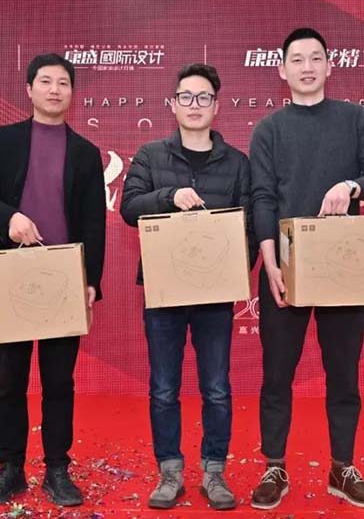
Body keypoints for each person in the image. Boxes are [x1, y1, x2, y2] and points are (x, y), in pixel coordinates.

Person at [249, 28, 364, 510]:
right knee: (276, 375)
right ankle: (274, 465)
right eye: (297, 59)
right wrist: (270, 263)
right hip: (285, 268)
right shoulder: (269, 130)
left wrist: (350, 186)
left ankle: (342, 468)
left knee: (343, 374)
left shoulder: (355, 119)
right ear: (282, 70)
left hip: (343, 267)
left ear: (330, 66)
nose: (307, 67)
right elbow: (262, 198)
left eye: (315, 58)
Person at [0, 53, 106, 508]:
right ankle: (10, 468)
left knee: (59, 381)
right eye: (45, 81)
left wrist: (90, 281)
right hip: (10, 272)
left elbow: (94, 223)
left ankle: (57, 469)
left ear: (72, 92)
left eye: (63, 83)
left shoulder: (85, 153)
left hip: (62, 277)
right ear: (29, 89)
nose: (54, 90)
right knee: (10, 380)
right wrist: (10, 218)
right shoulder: (2, 140)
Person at [120, 63, 256, 511]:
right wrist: (169, 197)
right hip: (164, 293)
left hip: (215, 296)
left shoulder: (237, 163)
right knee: (163, 387)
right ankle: (170, 472)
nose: (194, 105)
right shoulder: (150, 156)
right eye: (186, 97)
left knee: (216, 387)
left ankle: (214, 471)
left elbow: (250, 226)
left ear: (216, 106)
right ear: (172, 104)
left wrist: (234, 272)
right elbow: (129, 207)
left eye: (203, 98)